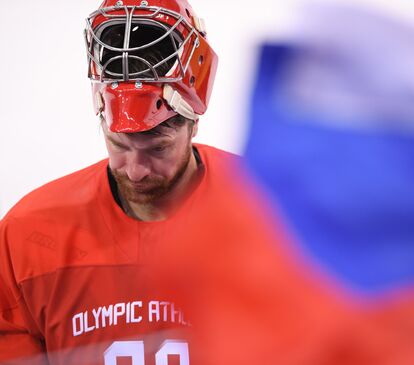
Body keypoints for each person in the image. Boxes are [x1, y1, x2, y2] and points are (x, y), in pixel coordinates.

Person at [0, 1, 360, 364]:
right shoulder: (26, 236)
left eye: (158, 148)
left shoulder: (274, 213)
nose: (136, 170)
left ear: (193, 124)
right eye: (118, 144)